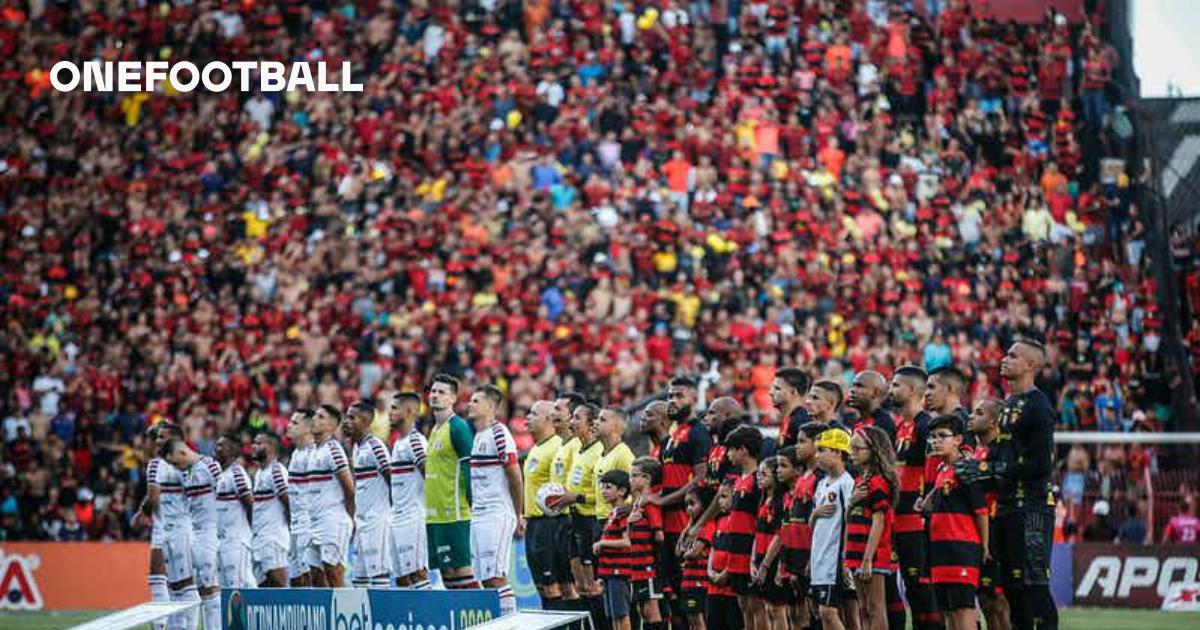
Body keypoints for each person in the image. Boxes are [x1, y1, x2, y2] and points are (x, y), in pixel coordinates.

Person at [959, 339, 1059, 630]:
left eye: (1013, 356)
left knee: (1034, 587)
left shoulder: (1038, 406)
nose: (1004, 359)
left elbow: (1040, 465)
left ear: (1030, 365)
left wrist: (988, 469)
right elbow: (999, 459)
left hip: (1031, 507)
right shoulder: (1007, 406)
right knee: (1014, 592)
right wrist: (979, 471)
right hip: (1004, 509)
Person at [649, 376, 712, 627]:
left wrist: (663, 501)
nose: (672, 401)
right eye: (669, 396)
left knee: (693, 601)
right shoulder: (675, 434)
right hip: (668, 526)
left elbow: (700, 479)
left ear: (694, 398)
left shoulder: (698, 433)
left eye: (678, 396)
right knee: (673, 593)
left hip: (686, 524)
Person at [920, 415, 989, 630]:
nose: (936, 441)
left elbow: (981, 512)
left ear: (958, 439)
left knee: (963, 608)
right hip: (939, 549)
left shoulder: (967, 469)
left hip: (962, 548)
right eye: (933, 437)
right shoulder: (942, 469)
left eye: (942, 436)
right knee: (947, 611)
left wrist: (984, 546)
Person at [888, 365, 939, 630]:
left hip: (917, 519)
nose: (891, 389)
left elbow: (933, 473)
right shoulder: (902, 426)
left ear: (911, 390)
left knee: (921, 586)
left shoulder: (925, 425)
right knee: (911, 587)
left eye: (896, 385)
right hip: (900, 517)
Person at [467, 384, 524, 616]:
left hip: (497, 513)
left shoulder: (499, 434)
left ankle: (510, 623)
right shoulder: (478, 435)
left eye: (475, 401)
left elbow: (515, 476)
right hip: (479, 514)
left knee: (496, 577)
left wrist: (518, 513)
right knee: (484, 580)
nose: (469, 404)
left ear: (491, 406)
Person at [425, 374, 479, 590]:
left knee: (462, 571)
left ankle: (483, 617)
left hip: (455, 513)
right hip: (435, 515)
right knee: (447, 574)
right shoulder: (434, 430)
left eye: (441, 392)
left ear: (453, 398)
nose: (435, 395)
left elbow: (469, 467)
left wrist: (472, 502)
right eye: (433, 391)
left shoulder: (458, 427)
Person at [162, 437, 222, 630]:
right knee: (199, 587)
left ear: (182, 453)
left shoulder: (210, 466)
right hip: (196, 535)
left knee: (210, 586)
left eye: (175, 462)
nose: (176, 467)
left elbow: (225, 497)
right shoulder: (186, 474)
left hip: (212, 533)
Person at [557, 403, 606, 621]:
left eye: (577, 418)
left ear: (591, 425)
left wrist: (576, 497)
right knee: (582, 587)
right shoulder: (578, 450)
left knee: (595, 586)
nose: (572, 422)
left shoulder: (599, 452)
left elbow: (604, 495)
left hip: (590, 522)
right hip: (574, 520)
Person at [846, 426, 899, 630]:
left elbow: (879, 520)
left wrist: (868, 559)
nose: (853, 454)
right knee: (863, 608)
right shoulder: (860, 480)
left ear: (873, 450)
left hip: (872, 553)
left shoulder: (878, 482)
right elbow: (849, 518)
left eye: (858, 449)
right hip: (855, 550)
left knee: (875, 607)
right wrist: (851, 503)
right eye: (852, 449)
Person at [776, 424, 823, 630]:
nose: (797, 446)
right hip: (796, 557)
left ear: (817, 444)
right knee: (802, 613)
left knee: (820, 612)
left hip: (813, 556)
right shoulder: (804, 478)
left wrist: (811, 558)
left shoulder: (821, 477)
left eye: (802, 441)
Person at [968, 398, 1010, 630]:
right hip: (977, 530)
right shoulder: (978, 452)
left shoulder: (1003, 450)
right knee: (985, 599)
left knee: (998, 600)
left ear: (994, 422)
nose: (972, 416)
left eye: (979, 412)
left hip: (998, 530)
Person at [809, 428, 857, 630]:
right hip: (819, 556)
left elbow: (850, 520)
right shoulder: (821, 484)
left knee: (827, 611)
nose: (817, 455)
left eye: (822, 450)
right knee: (824, 613)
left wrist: (846, 555)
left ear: (838, 452)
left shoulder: (847, 483)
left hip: (834, 558)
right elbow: (813, 523)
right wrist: (815, 514)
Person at [343, 401, 392, 588]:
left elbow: (391, 479)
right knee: (359, 580)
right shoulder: (357, 449)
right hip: (362, 522)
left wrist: (391, 513)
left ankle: (387, 617)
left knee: (379, 578)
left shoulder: (376, 447)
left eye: (351, 417)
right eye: (346, 417)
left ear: (364, 421)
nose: (346, 422)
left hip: (377, 521)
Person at [722, 425, 764, 629]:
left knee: (756, 605)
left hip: (749, 549)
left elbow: (760, 519)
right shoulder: (739, 480)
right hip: (736, 549)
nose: (728, 454)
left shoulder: (758, 481)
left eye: (731, 449)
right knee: (743, 603)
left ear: (744, 450)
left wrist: (755, 553)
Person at [524, 399, 566, 607]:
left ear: (549, 419)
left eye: (533, 414)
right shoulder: (536, 448)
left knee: (553, 586)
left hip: (548, 525)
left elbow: (558, 491)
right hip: (532, 523)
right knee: (541, 586)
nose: (527, 418)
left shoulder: (557, 447)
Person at [388, 391, 431, 589]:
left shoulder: (416, 441)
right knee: (401, 578)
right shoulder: (398, 443)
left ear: (410, 411)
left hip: (413, 517)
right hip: (397, 517)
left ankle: (430, 614)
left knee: (417, 573)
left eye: (394, 408)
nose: (389, 412)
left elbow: (429, 476)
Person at [309, 404, 355, 588]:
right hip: (315, 521)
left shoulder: (333, 450)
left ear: (331, 425)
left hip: (333, 520)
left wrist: (349, 517)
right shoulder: (313, 450)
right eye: (314, 415)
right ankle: (327, 616)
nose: (314, 419)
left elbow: (349, 488)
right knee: (315, 575)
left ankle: (344, 614)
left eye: (320, 417)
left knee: (334, 573)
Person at [138, 424, 175, 630]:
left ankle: (161, 625)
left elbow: (154, 497)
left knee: (157, 578)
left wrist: (142, 512)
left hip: (165, 528)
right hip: (184, 528)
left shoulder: (155, 464)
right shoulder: (180, 463)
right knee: (180, 585)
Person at [550, 392, 586, 607]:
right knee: (566, 586)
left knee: (579, 586)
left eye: (558, 409)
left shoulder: (576, 446)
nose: (552, 413)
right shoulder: (561, 445)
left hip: (573, 519)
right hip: (558, 520)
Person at [749, 456, 789, 630]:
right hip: (759, 559)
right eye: (758, 474)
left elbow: (780, 536)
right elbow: (757, 534)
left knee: (776, 609)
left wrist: (765, 565)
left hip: (772, 560)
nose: (759, 477)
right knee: (766, 608)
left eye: (763, 474)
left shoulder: (781, 502)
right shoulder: (763, 501)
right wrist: (752, 561)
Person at [595, 469, 636, 630]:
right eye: (602, 487)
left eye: (608, 487)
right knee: (613, 615)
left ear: (622, 491)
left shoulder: (624, 513)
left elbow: (628, 542)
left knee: (621, 614)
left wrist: (603, 544)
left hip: (619, 572)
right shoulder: (613, 513)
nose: (603, 491)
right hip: (609, 572)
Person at [629, 457, 666, 630]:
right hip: (637, 566)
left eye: (634, 476)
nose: (631, 480)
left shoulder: (650, 503)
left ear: (647, 478)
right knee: (642, 610)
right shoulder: (637, 503)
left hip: (647, 566)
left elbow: (659, 535)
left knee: (652, 610)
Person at [214, 433, 254, 589]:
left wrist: (252, 535)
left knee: (242, 584)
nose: (216, 449)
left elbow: (250, 505)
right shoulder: (219, 475)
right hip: (222, 540)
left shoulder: (237, 474)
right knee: (226, 588)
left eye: (220, 446)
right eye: (216, 445)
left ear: (232, 451)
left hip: (237, 540)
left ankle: (254, 612)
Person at [250, 431, 290, 587]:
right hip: (260, 537)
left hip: (273, 537)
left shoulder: (276, 470)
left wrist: (287, 527)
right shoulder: (260, 473)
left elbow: (288, 501)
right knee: (264, 585)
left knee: (278, 581)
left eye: (259, 443)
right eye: (254, 442)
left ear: (271, 447)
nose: (254, 446)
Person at [285, 409, 318, 587]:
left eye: (295, 423)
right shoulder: (296, 453)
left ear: (307, 428)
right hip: (296, 523)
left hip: (309, 522)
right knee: (296, 578)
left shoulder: (314, 453)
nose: (289, 425)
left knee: (310, 578)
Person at [707, 482, 743, 630]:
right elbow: (713, 548)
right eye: (718, 497)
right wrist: (709, 571)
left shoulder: (739, 521)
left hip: (730, 588)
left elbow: (738, 550)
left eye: (723, 497)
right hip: (713, 587)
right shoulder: (719, 520)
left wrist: (726, 573)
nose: (720, 501)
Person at [680, 487, 714, 630]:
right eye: (686, 505)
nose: (689, 509)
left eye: (692, 504)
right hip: (688, 581)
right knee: (691, 619)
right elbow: (679, 550)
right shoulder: (690, 529)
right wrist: (687, 528)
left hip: (700, 583)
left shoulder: (707, 526)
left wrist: (687, 552)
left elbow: (693, 552)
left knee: (699, 619)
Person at [925, 367, 973, 447]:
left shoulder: (964, 424)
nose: (926, 393)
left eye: (931, 387)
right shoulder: (934, 422)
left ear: (950, 388)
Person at [846, 372, 896, 442]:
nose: (852, 390)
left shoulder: (884, 424)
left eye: (859, 386)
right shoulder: (856, 422)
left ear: (875, 393)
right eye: (853, 386)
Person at [774, 367, 813, 448]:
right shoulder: (790, 419)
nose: (771, 392)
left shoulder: (801, 422)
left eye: (777, 389)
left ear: (793, 392)